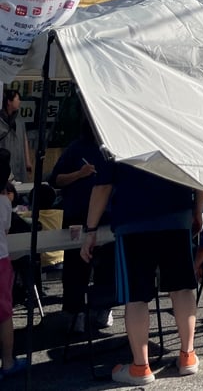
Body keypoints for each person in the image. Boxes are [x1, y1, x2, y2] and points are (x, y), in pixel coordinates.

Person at [81, 163, 203, 386]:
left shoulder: (116, 132)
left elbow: (103, 187)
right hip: (177, 215)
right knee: (182, 288)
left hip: (133, 220)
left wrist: (90, 231)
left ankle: (141, 367)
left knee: (136, 297)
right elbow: (197, 170)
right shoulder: (176, 129)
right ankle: (188, 356)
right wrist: (197, 209)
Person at [48, 117, 114, 333]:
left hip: (106, 216)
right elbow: (55, 179)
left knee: (107, 265)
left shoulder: (113, 147)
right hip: (77, 215)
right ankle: (75, 312)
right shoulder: (76, 148)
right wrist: (80, 174)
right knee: (76, 267)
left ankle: (103, 308)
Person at [0, 149, 26, 378]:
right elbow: (6, 229)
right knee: (5, 314)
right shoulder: (4, 203)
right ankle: (7, 362)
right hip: (1, 261)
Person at [0, 89, 31, 183]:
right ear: (9, 102)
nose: (19, 102)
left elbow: (24, 139)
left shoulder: (19, 119)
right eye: (17, 99)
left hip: (19, 157)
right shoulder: (1, 120)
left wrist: (28, 160)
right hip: (5, 159)